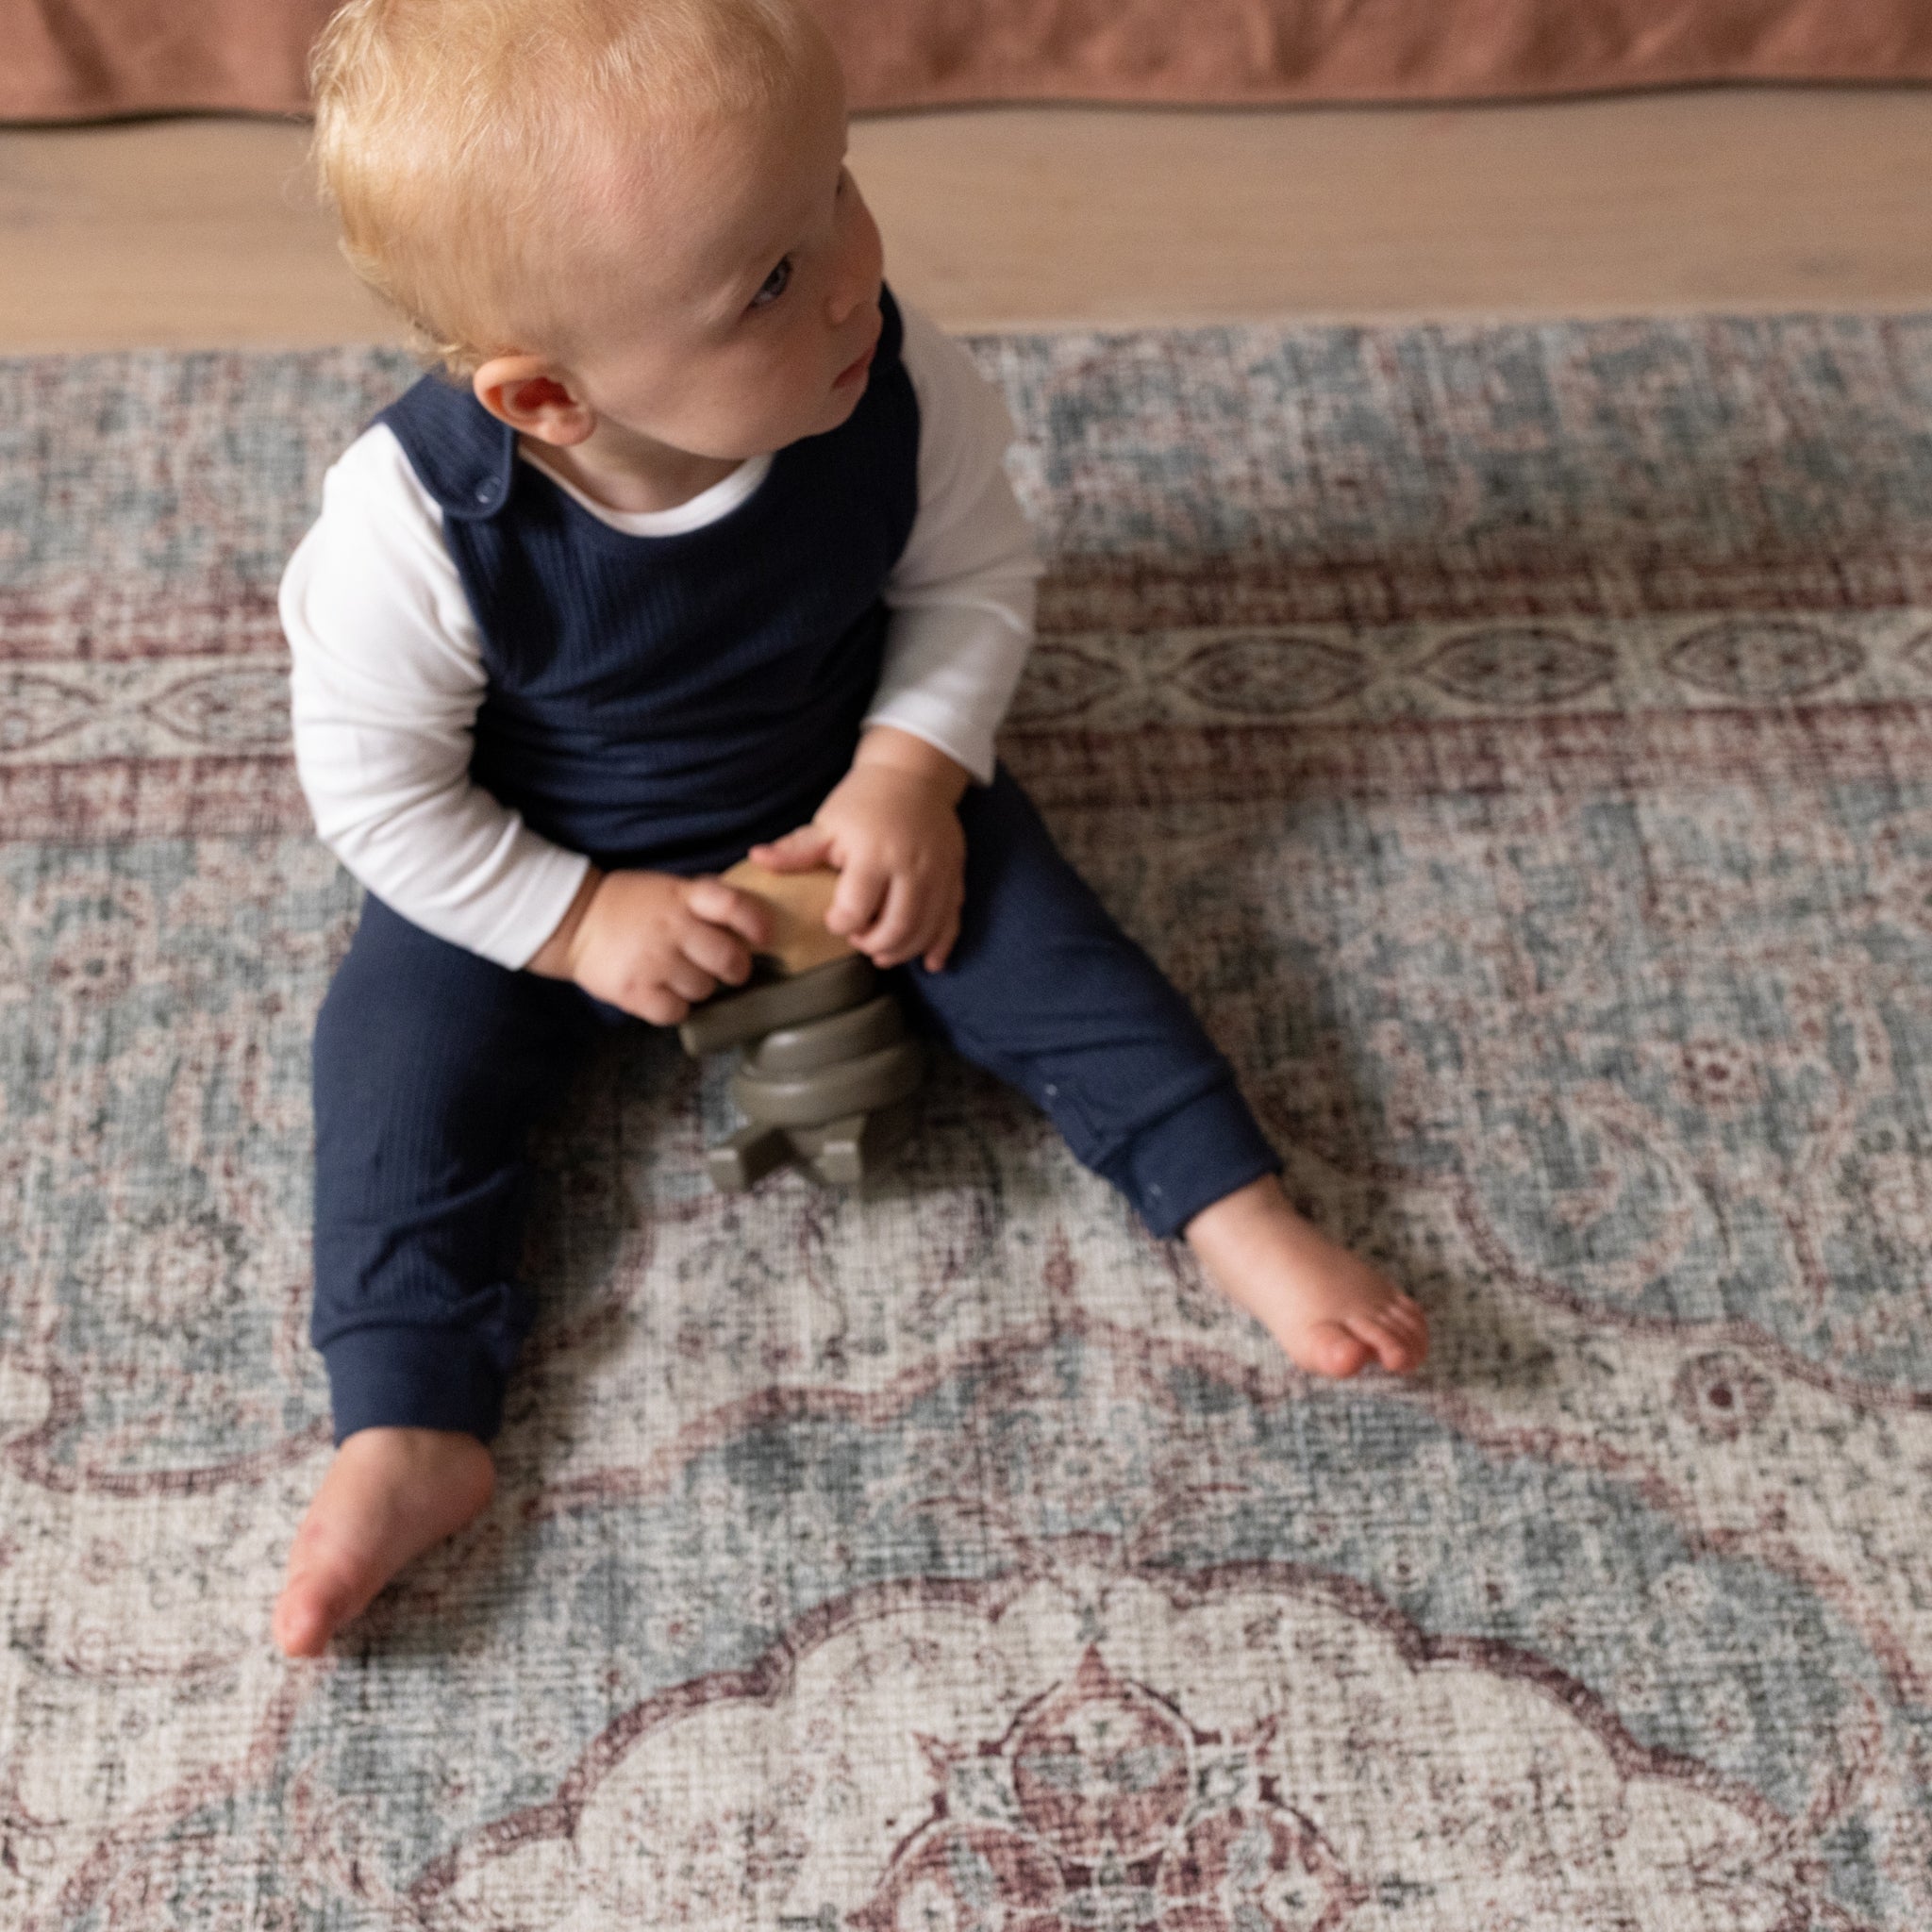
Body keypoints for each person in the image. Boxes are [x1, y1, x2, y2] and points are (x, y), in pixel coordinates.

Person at [273, 0, 1427, 1659]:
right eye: (765, 281)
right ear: (545, 395)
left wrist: (909, 772)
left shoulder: (889, 377)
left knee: (1055, 951)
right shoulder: (412, 531)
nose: (846, 282)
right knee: (395, 1061)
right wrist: (576, 921)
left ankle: (1229, 1204)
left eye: (834, 190)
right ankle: (407, 1417)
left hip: (836, 778)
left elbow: (970, 585)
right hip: (546, 844)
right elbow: (381, 796)